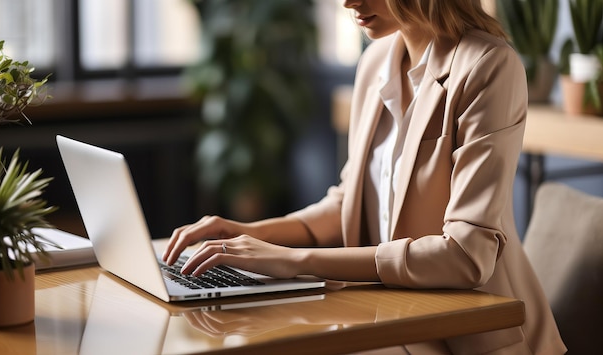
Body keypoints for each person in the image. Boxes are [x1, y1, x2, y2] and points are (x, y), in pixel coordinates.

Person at [163, 0, 566, 353]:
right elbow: (349, 203)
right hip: (391, 314)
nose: (348, 2)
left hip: (466, 334)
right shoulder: (375, 61)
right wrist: (247, 234)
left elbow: (465, 256)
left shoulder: (488, 66)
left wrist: (295, 261)